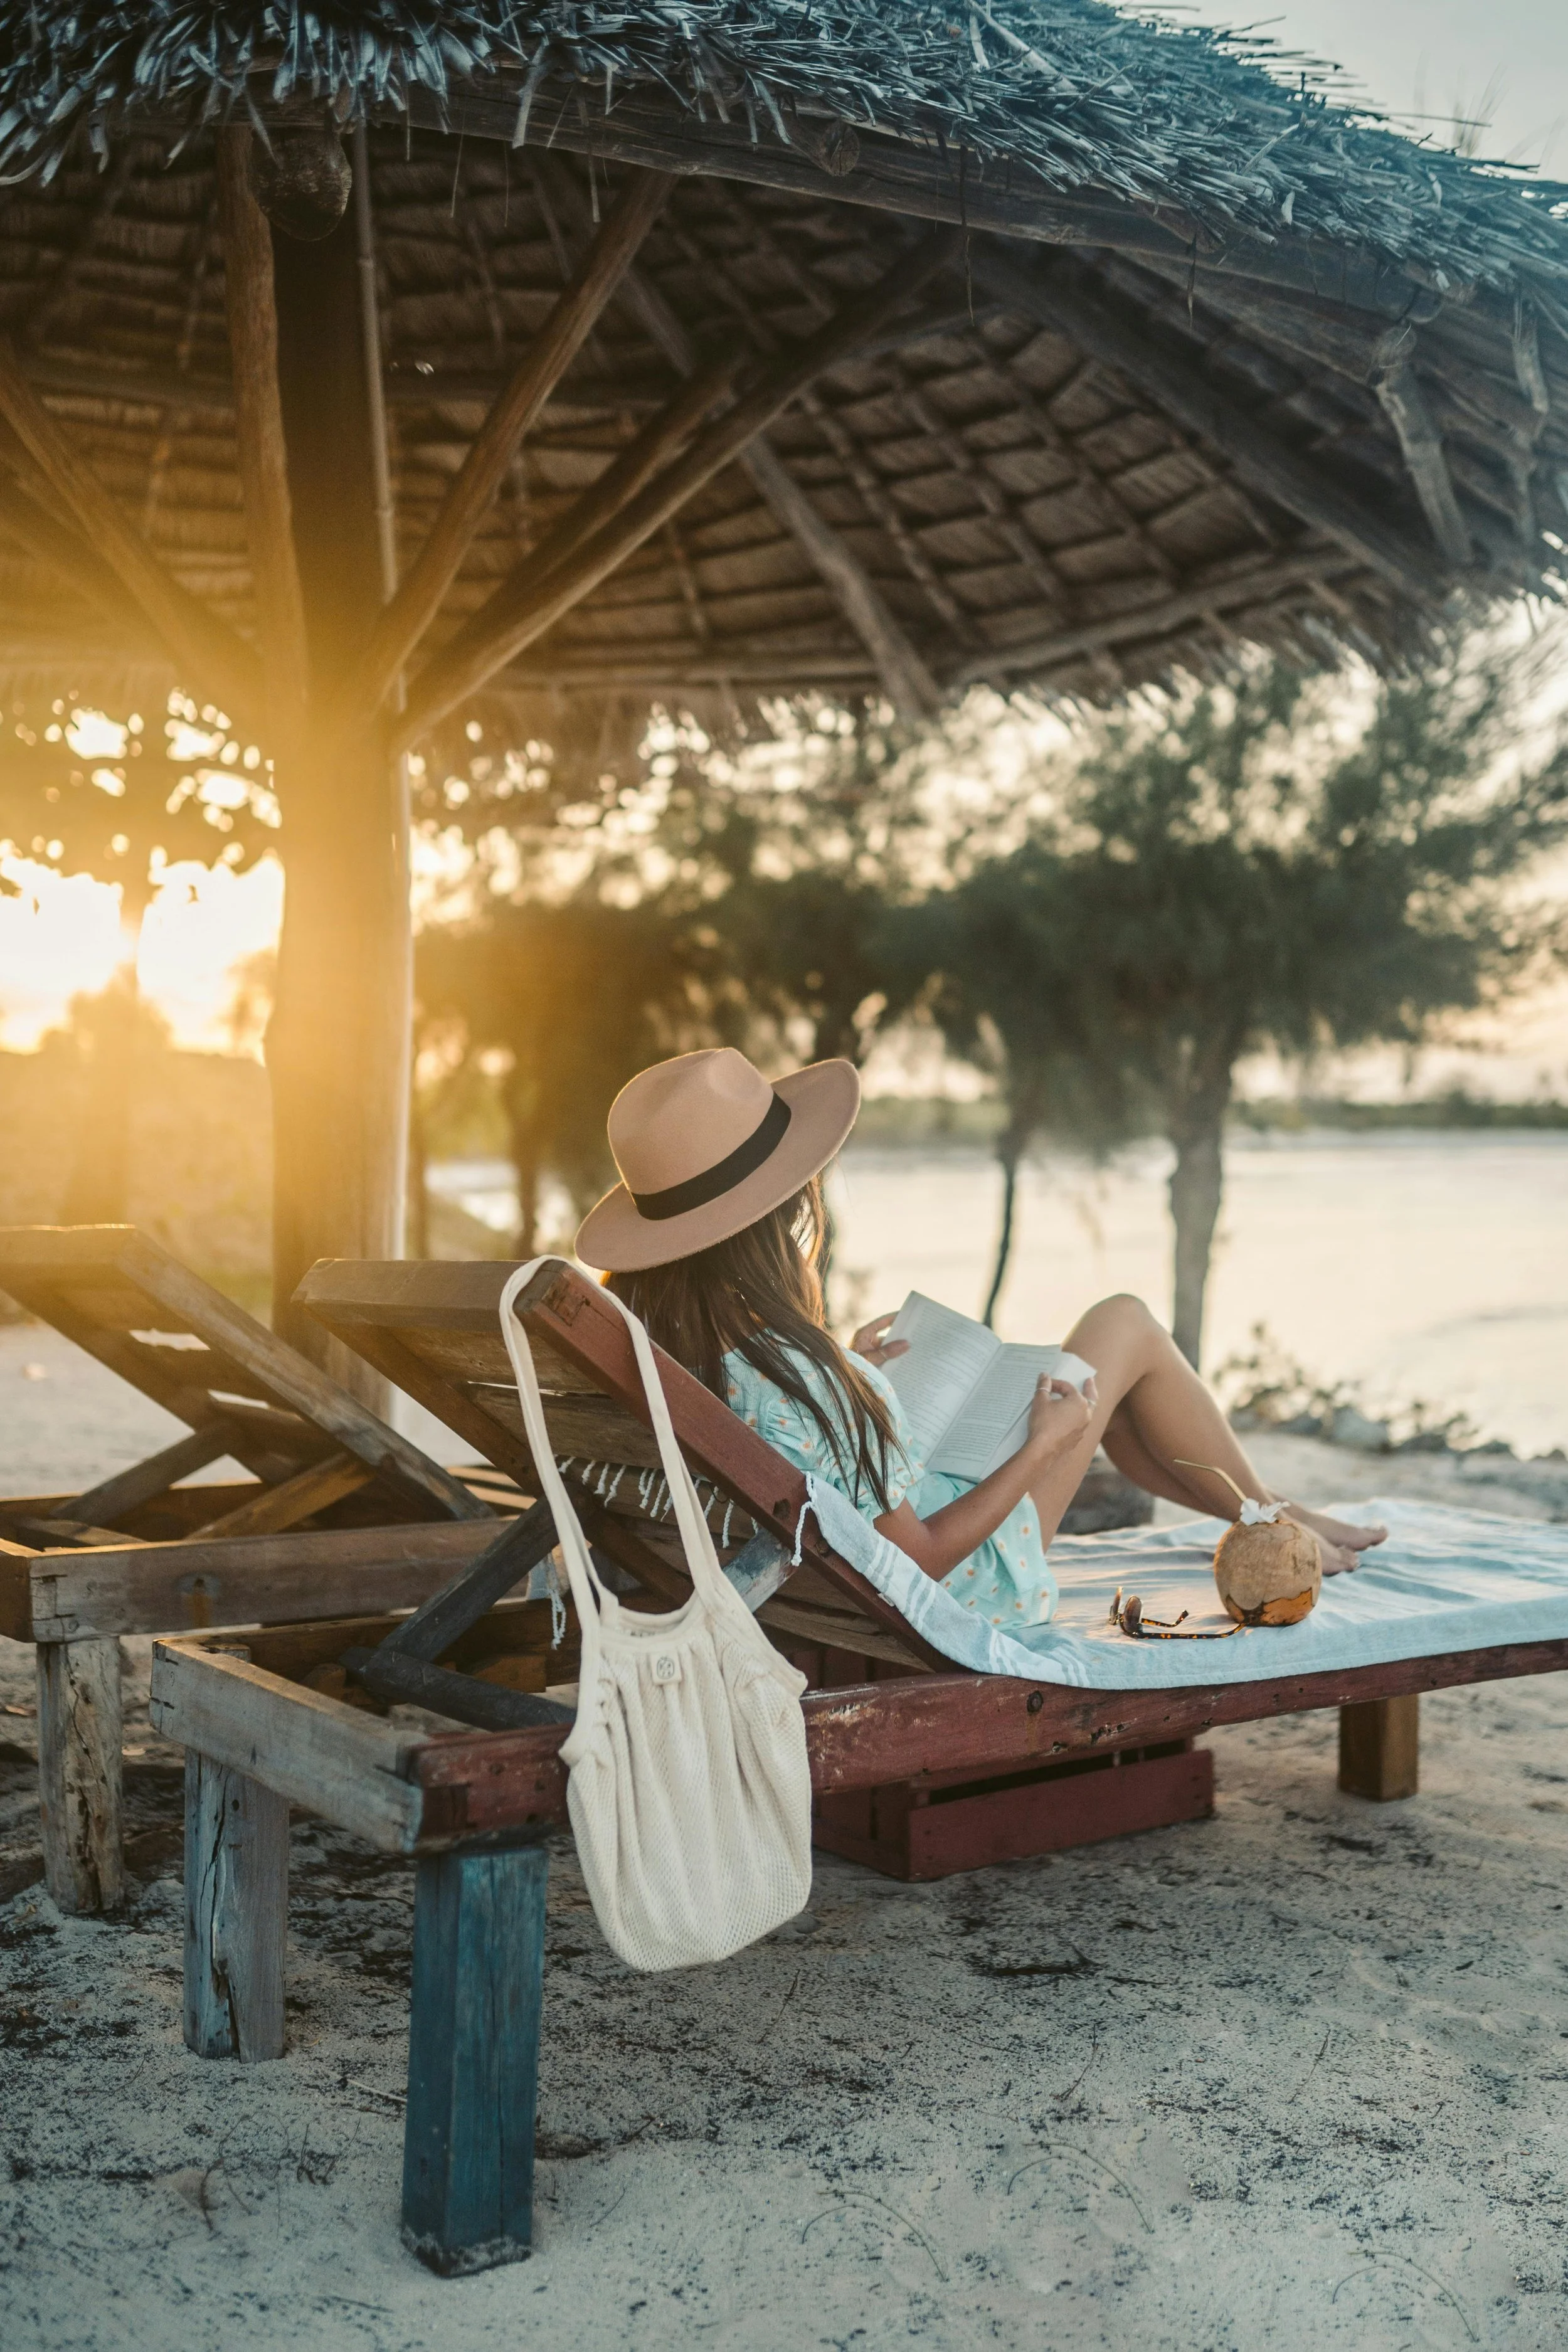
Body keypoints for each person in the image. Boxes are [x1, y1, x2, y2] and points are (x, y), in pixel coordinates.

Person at [575, 1049, 1385, 1628]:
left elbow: (796, 1455)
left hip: (796, 1597)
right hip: (956, 1591)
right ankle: (1271, 1516)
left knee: (1114, 1391)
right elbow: (916, 1560)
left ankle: (1267, 1513)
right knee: (1124, 1326)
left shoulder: (669, 1358)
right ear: (774, 1226)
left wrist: (848, 1375)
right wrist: (1042, 1448)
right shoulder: (799, 1377)